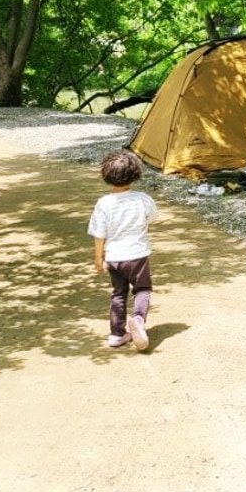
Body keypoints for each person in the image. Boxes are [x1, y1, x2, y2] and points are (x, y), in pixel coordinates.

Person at [88, 150, 159, 350]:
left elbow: (99, 233)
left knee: (118, 293)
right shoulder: (143, 199)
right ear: (135, 173)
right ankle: (137, 319)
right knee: (142, 289)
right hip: (137, 254)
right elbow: (152, 217)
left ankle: (117, 334)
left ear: (107, 176)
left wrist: (98, 258)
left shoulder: (104, 203)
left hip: (114, 257)